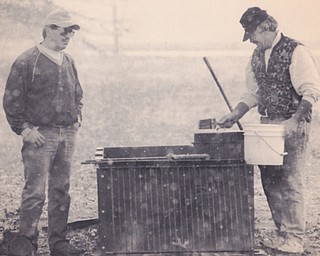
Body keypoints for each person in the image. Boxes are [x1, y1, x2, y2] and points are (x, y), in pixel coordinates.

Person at [218, 7, 320, 254]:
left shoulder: (296, 51)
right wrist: (235, 114)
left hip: (292, 123)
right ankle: (282, 233)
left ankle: (295, 238)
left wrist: (294, 121)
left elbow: (311, 91)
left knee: (291, 181)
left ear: (266, 27)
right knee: (270, 181)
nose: (250, 39)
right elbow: (252, 94)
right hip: (267, 125)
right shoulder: (255, 56)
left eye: (251, 33)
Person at [3, 10, 84, 256]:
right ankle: (27, 245)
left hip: (67, 135)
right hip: (40, 137)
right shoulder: (28, 60)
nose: (68, 35)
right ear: (48, 29)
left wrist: (76, 119)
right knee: (35, 192)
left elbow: (78, 95)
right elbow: (11, 101)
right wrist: (25, 130)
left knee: (61, 190)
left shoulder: (69, 61)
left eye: (71, 31)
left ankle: (58, 243)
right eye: (63, 30)